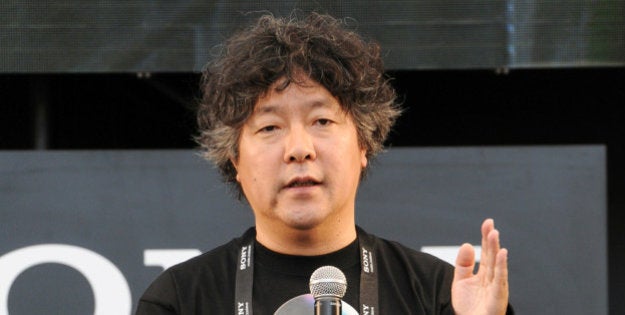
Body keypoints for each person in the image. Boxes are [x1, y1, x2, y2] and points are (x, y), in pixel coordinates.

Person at [136, 12, 511, 314]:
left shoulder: (438, 295)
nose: (299, 149)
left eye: (322, 121)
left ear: (364, 143)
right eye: (270, 127)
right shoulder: (180, 300)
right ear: (233, 157)